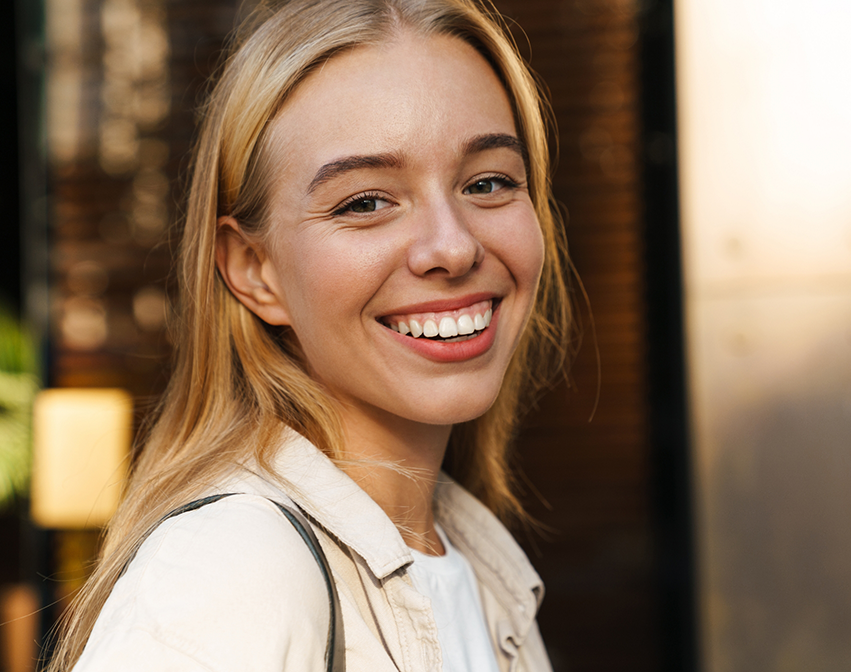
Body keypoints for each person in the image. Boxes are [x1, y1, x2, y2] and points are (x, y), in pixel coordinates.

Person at [48, 0, 572, 669]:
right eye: (365, 201)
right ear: (254, 270)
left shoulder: (478, 566)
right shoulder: (233, 569)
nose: (453, 246)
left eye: (489, 182)